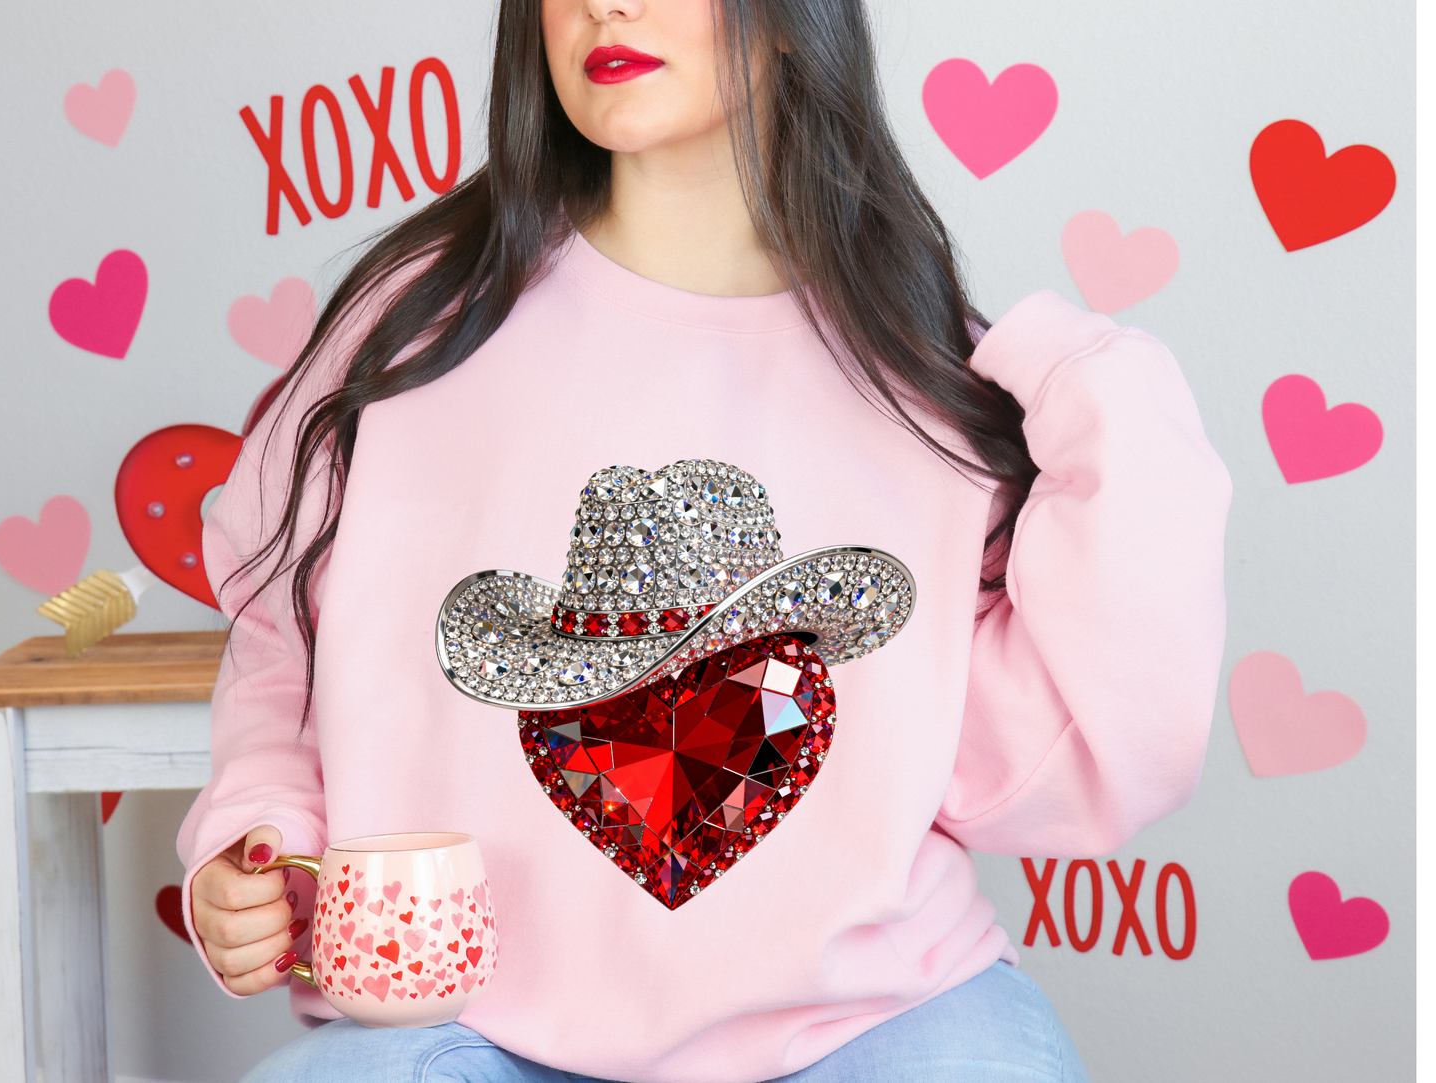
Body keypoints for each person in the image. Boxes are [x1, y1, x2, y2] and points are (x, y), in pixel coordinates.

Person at [181, 0, 1231, 1079]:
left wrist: (1076, 374)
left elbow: (1047, 766)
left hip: (872, 1019)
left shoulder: (921, 381)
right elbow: (279, 636)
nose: (605, 7)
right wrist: (260, 833)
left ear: (789, 20)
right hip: (465, 1025)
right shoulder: (418, 324)